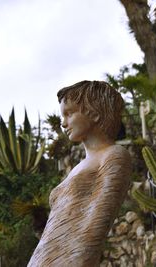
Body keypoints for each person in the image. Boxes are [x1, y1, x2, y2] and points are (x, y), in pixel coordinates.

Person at [28, 80, 131, 267]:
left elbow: (97, 222)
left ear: (95, 113)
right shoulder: (81, 165)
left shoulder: (113, 155)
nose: (63, 123)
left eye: (69, 113)